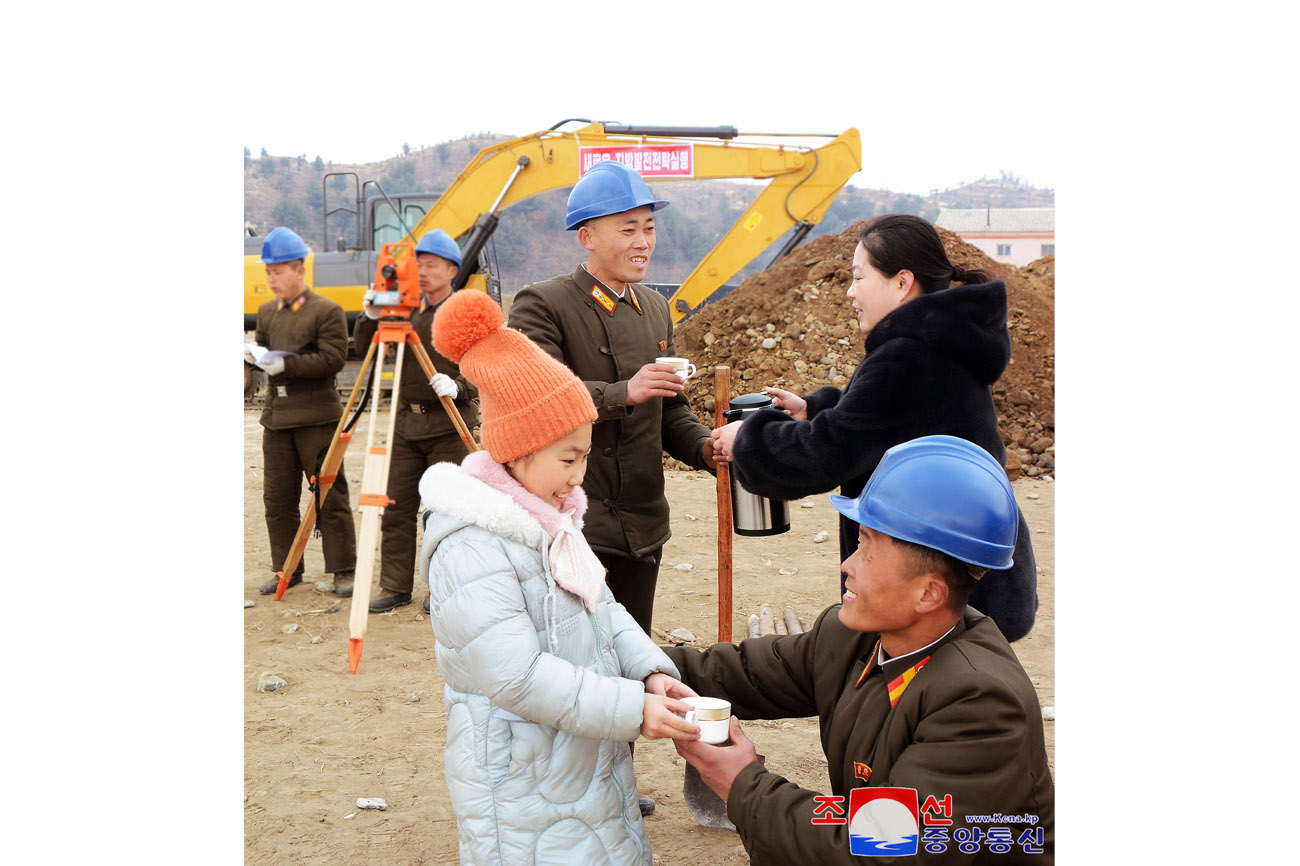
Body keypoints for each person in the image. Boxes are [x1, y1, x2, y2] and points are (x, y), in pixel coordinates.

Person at [662, 435, 1055, 864]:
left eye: (867, 547)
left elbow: (882, 846)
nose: (848, 564)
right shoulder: (854, 637)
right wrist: (631, 664)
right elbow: (741, 672)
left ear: (928, 593)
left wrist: (741, 783)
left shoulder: (980, 704)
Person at [416, 288, 699, 865]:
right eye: (567, 459)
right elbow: (515, 676)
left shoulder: (555, 520)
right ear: (516, 452)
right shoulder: (472, 543)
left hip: (576, 755)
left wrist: (648, 672)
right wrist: (629, 710)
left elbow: (604, 606)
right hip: (519, 776)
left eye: (586, 456)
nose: (579, 475)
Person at [710, 214, 1038, 642]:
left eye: (859, 277)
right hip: (966, 572)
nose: (850, 293)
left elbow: (827, 453)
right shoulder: (939, 341)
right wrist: (812, 408)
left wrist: (748, 440)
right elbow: (887, 421)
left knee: (927, 701)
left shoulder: (908, 357)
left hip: (938, 589)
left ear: (902, 282)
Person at [508, 159, 718, 638]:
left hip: (642, 522)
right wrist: (626, 391)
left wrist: (705, 448)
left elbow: (671, 411)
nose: (642, 242)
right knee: (574, 658)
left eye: (648, 228)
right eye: (628, 229)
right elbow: (538, 396)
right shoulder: (544, 304)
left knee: (632, 651)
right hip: (573, 519)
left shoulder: (655, 308)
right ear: (587, 236)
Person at [352, 229, 479, 613]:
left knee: (447, 513)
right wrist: (370, 315)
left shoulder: (464, 309)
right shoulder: (404, 307)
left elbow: (487, 363)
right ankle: (395, 585)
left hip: (449, 424)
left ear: (452, 269)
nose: (422, 272)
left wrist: (458, 385)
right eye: (418, 264)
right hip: (406, 424)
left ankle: (445, 586)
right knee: (396, 505)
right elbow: (365, 351)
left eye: (431, 265)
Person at [246, 227, 356, 596]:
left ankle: (343, 569)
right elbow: (263, 353)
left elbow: (333, 359)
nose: (272, 278)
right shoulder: (266, 312)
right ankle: (287, 569)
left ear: (299, 270)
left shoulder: (326, 311)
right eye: (268, 272)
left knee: (329, 494)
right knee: (277, 499)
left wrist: (286, 366)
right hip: (276, 420)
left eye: (278, 271)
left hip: (316, 419)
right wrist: (254, 359)